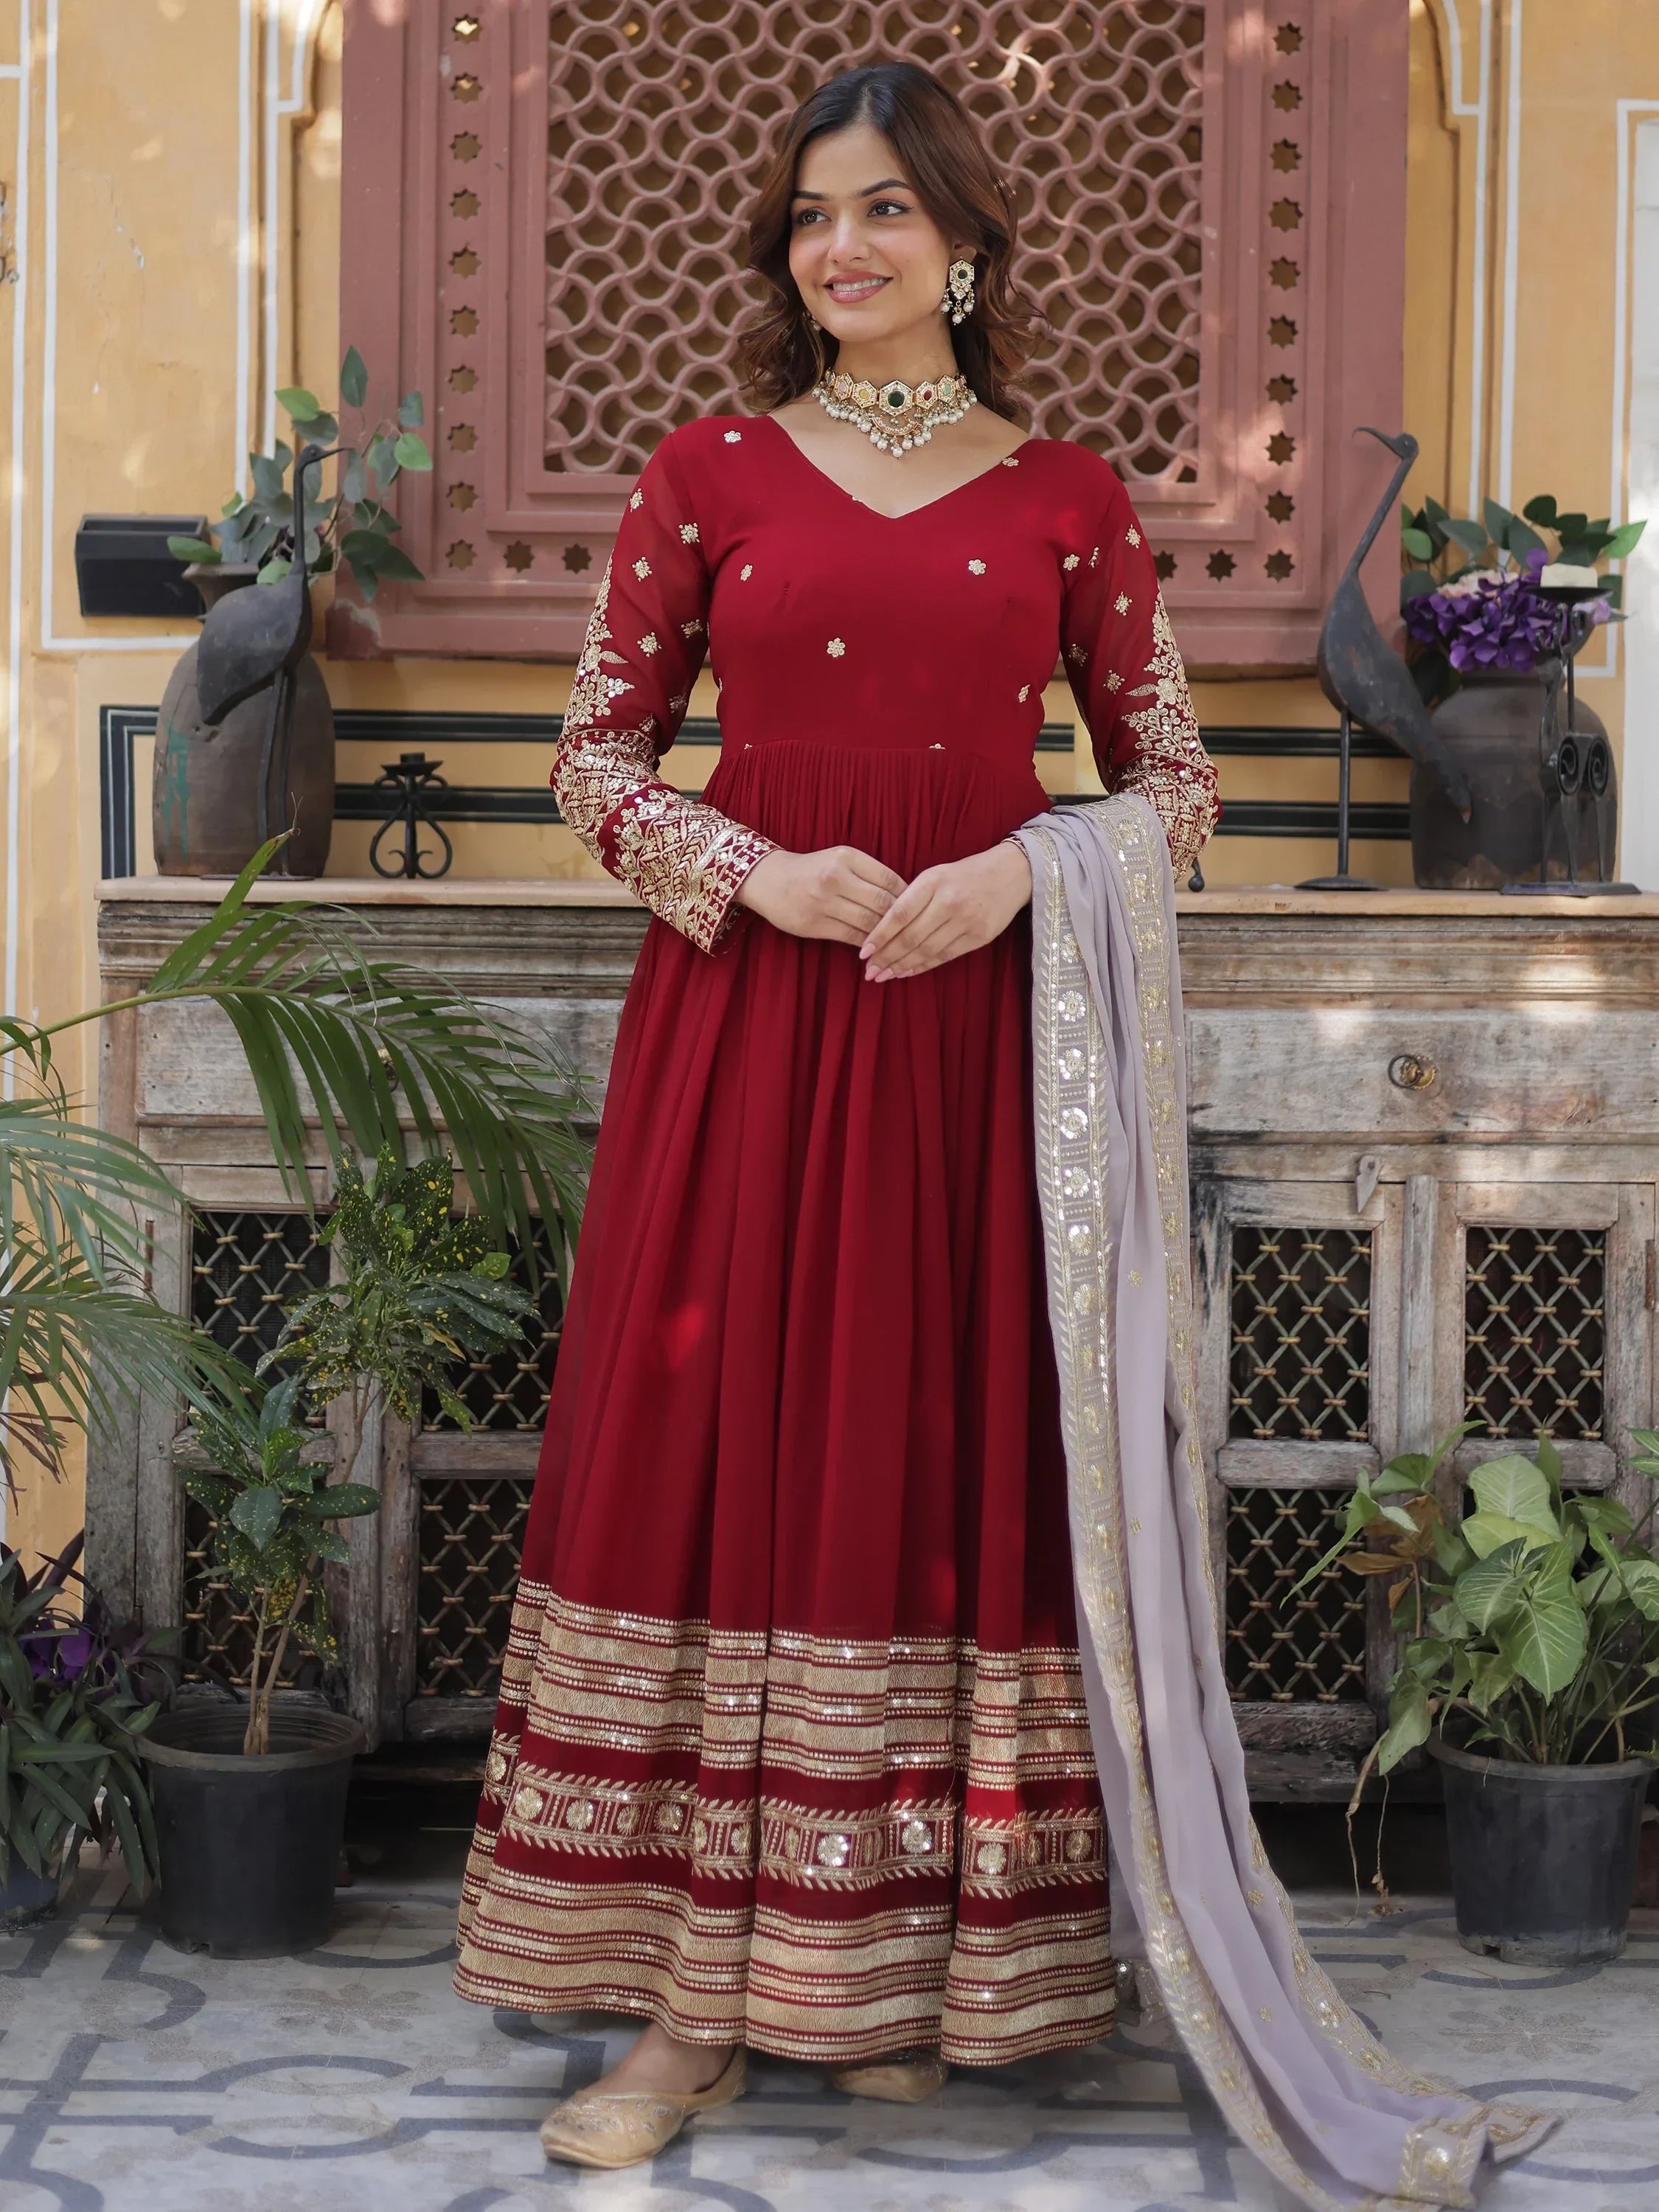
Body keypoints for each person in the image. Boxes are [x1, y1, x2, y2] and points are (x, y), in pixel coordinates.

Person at [453, 58, 1218, 2171]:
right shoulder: (706, 471)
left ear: (964, 243)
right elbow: (589, 759)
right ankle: (686, 2012)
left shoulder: (1065, 494)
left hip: (967, 1050)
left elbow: (1174, 787)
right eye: (811, 215)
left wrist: (1024, 871)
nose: (843, 248)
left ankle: (886, 1983)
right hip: (747, 1032)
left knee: (918, 1457)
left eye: (884, 210)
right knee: (715, 1448)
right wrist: (748, 867)